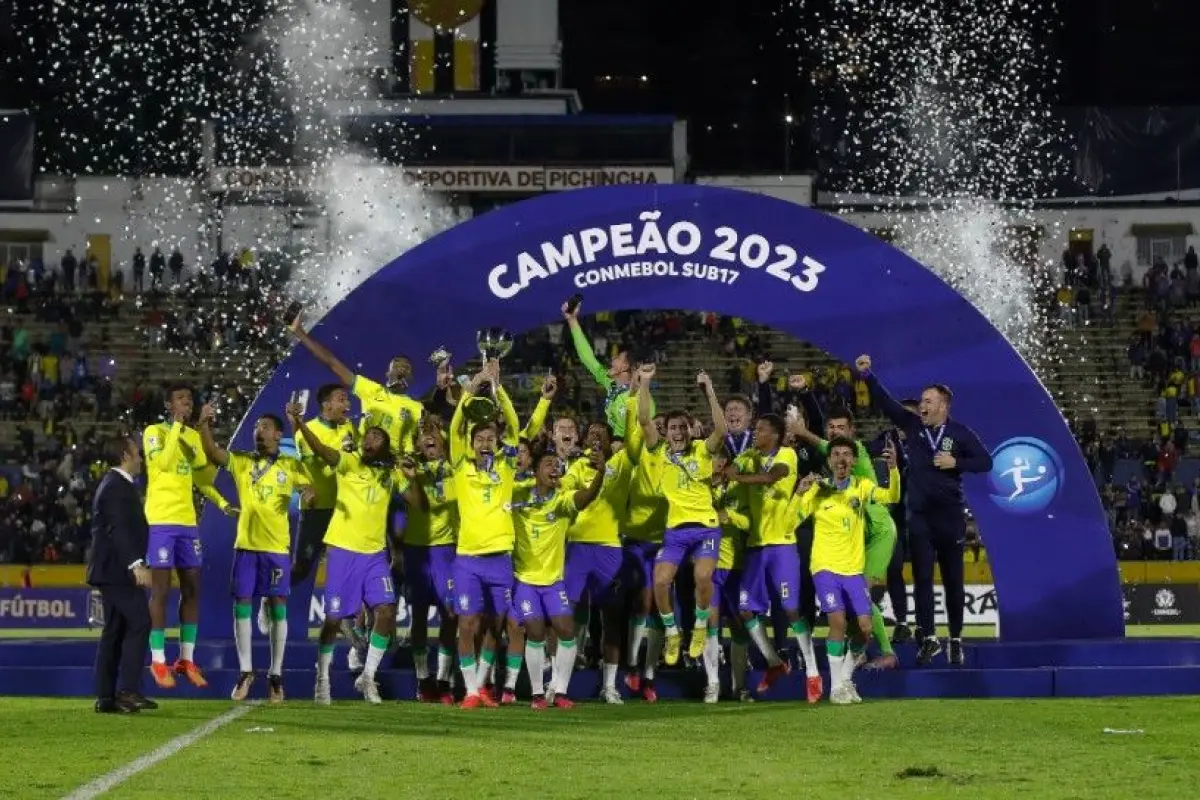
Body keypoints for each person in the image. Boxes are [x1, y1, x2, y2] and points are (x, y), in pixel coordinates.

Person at [857, 354, 992, 666]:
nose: (922, 405)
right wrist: (868, 377)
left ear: (943, 405)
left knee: (953, 581)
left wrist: (955, 462)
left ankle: (955, 639)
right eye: (921, 401)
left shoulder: (960, 433)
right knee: (921, 579)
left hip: (950, 518)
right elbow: (888, 405)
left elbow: (986, 462)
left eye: (928, 401)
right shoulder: (913, 425)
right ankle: (929, 638)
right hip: (919, 519)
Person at [288, 403, 425, 704]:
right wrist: (299, 422)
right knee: (334, 620)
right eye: (367, 436)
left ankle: (368, 677)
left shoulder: (391, 475)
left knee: (387, 612)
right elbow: (323, 450)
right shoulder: (349, 462)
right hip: (342, 551)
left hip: (375, 555)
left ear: (385, 446)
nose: (369, 440)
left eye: (376, 437)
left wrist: (413, 477)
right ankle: (322, 678)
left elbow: (418, 503)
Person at [196, 404, 313, 703]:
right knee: (242, 605)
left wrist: (309, 495)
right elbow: (212, 452)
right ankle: (246, 671)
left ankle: (276, 675)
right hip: (246, 546)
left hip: (276, 549)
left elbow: (310, 487)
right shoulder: (242, 460)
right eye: (255, 426)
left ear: (277, 433)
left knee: (278, 606)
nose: (257, 430)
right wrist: (203, 425)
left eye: (263, 426)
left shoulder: (290, 465)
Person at [790, 436, 900, 704]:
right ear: (829, 461)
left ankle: (845, 679)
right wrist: (799, 493)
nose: (841, 458)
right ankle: (836, 687)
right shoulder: (819, 489)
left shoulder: (861, 486)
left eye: (846, 454)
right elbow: (790, 520)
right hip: (825, 567)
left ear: (853, 461)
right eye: (836, 454)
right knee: (837, 621)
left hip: (853, 570)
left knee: (864, 629)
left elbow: (891, 496)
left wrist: (894, 470)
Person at [143, 384, 235, 690]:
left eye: (190, 400)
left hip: (186, 523)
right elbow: (164, 463)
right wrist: (180, 428)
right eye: (181, 399)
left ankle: (186, 658)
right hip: (161, 521)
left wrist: (222, 502)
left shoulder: (193, 437)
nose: (187, 402)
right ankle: (158, 660)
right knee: (161, 591)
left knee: (193, 589)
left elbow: (203, 479)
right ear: (169, 405)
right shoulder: (154, 432)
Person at [726, 414, 821, 701]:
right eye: (755, 429)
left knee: (791, 609)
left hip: (782, 546)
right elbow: (729, 468)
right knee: (745, 610)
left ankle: (813, 673)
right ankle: (774, 663)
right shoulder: (750, 455)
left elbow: (772, 476)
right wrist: (726, 473)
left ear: (777, 435)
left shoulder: (788, 455)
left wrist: (738, 477)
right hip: (755, 546)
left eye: (761, 429)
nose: (756, 433)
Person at [637, 363, 727, 666]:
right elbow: (643, 419)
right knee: (660, 581)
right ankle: (673, 633)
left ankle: (700, 627)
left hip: (705, 527)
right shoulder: (659, 451)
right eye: (672, 427)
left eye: (682, 427)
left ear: (690, 429)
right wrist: (645, 383)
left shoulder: (702, 450)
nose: (677, 431)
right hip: (675, 531)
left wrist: (709, 391)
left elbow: (722, 430)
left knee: (703, 575)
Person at [448, 360, 524, 709]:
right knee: (467, 623)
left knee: (496, 626)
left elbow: (515, 424)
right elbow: (454, 429)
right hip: (467, 560)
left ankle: (481, 687)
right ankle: (469, 691)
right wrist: (474, 384)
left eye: (490, 438)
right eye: (480, 438)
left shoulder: (506, 465)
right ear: (472, 442)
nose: (485, 442)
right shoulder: (462, 467)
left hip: (500, 560)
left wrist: (498, 386)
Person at [560, 391, 641, 704]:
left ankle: (609, 685)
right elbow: (567, 496)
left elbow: (635, 437)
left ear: (611, 440)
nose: (594, 438)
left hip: (609, 548)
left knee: (612, 618)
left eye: (600, 434)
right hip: (578, 547)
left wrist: (633, 403)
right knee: (565, 615)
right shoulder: (576, 467)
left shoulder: (622, 462)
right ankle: (559, 682)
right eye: (590, 434)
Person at [512, 447, 605, 709]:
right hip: (526, 580)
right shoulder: (519, 498)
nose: (555, 468)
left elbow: (586, 497)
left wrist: (600, 474)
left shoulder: (562, 501)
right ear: (536, 472)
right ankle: (537, 694)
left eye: (557, 465)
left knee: (566, 631)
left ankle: (561, 690)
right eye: (548, 464)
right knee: (536, 633)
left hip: (554, 582)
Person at [282, 383, 357, 644]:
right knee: (302, 568)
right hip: (316, 510)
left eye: (347, 398)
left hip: (343, 511)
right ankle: (272, 598)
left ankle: (345, 620)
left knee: (344, 567)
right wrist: (304, 488)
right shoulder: (308, 430)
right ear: (326, 404)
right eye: (340, 399)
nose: (346, 403)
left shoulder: (349, 428)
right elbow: (297, 466)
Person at [88, 435, 156, 714]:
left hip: (111, 570)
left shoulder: (116, 485)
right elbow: (118, 530)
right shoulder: (117, 486)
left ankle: (106, 697)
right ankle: (128, 691)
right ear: (125, 456)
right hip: (117, 570)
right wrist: (136, 564)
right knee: (140, 621)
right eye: (137, 453)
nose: (141, 458)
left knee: (114, 630)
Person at [402, 428, 460, 704]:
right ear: (417, 445)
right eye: (423, 435)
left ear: (444, 442)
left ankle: (444, 680)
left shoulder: (454, 470)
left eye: (435, 433)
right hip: (416, 550)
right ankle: (423, 680)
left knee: (451, 615)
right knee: (419, 616)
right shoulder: (408, 469)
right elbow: (418, 505)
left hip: (446, 550)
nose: (430, 437)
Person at [561, 300, 653, 438]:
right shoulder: (611, 384)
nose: (612, 360)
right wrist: (572, 320)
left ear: (626, 367)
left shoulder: (641, 397)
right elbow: (588, 359)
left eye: (617, 358)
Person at [708, 446, 752, 703]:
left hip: (736, 567)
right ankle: (713, 685)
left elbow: (751, 522)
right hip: (708, 568)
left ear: (725, 462)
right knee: (710, 626)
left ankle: (740, 686)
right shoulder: (699, 489)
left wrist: (730, 516)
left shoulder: (739, 489)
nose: (712, 464)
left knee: (738, 628)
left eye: (714, 459)